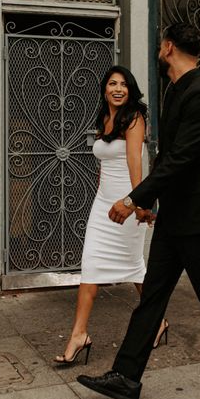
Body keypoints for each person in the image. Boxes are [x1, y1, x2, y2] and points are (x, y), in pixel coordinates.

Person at [77, 23, 200, 399]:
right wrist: (150, 203)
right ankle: (126, 378)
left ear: (169, 47)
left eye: (161, 45)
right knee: (152, 297)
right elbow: (170, 159)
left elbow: (180, 159)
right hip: (174, 217)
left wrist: (133, 198)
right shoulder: (176, 91)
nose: (159, 51)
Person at [54, 65, 168, 366]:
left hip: (127, 205)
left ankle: (157, 322)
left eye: (124, 85)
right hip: (102, 204)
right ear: (105, 89)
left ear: (130, 90)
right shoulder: (104, 119)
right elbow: (104, 163)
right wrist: (101, 191)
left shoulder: (134, 119)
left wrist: (139, 204)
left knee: (135, 269)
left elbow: (134, 163)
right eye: (112, 84)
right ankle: (79, 335)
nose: (118, 89)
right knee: (90, 263)